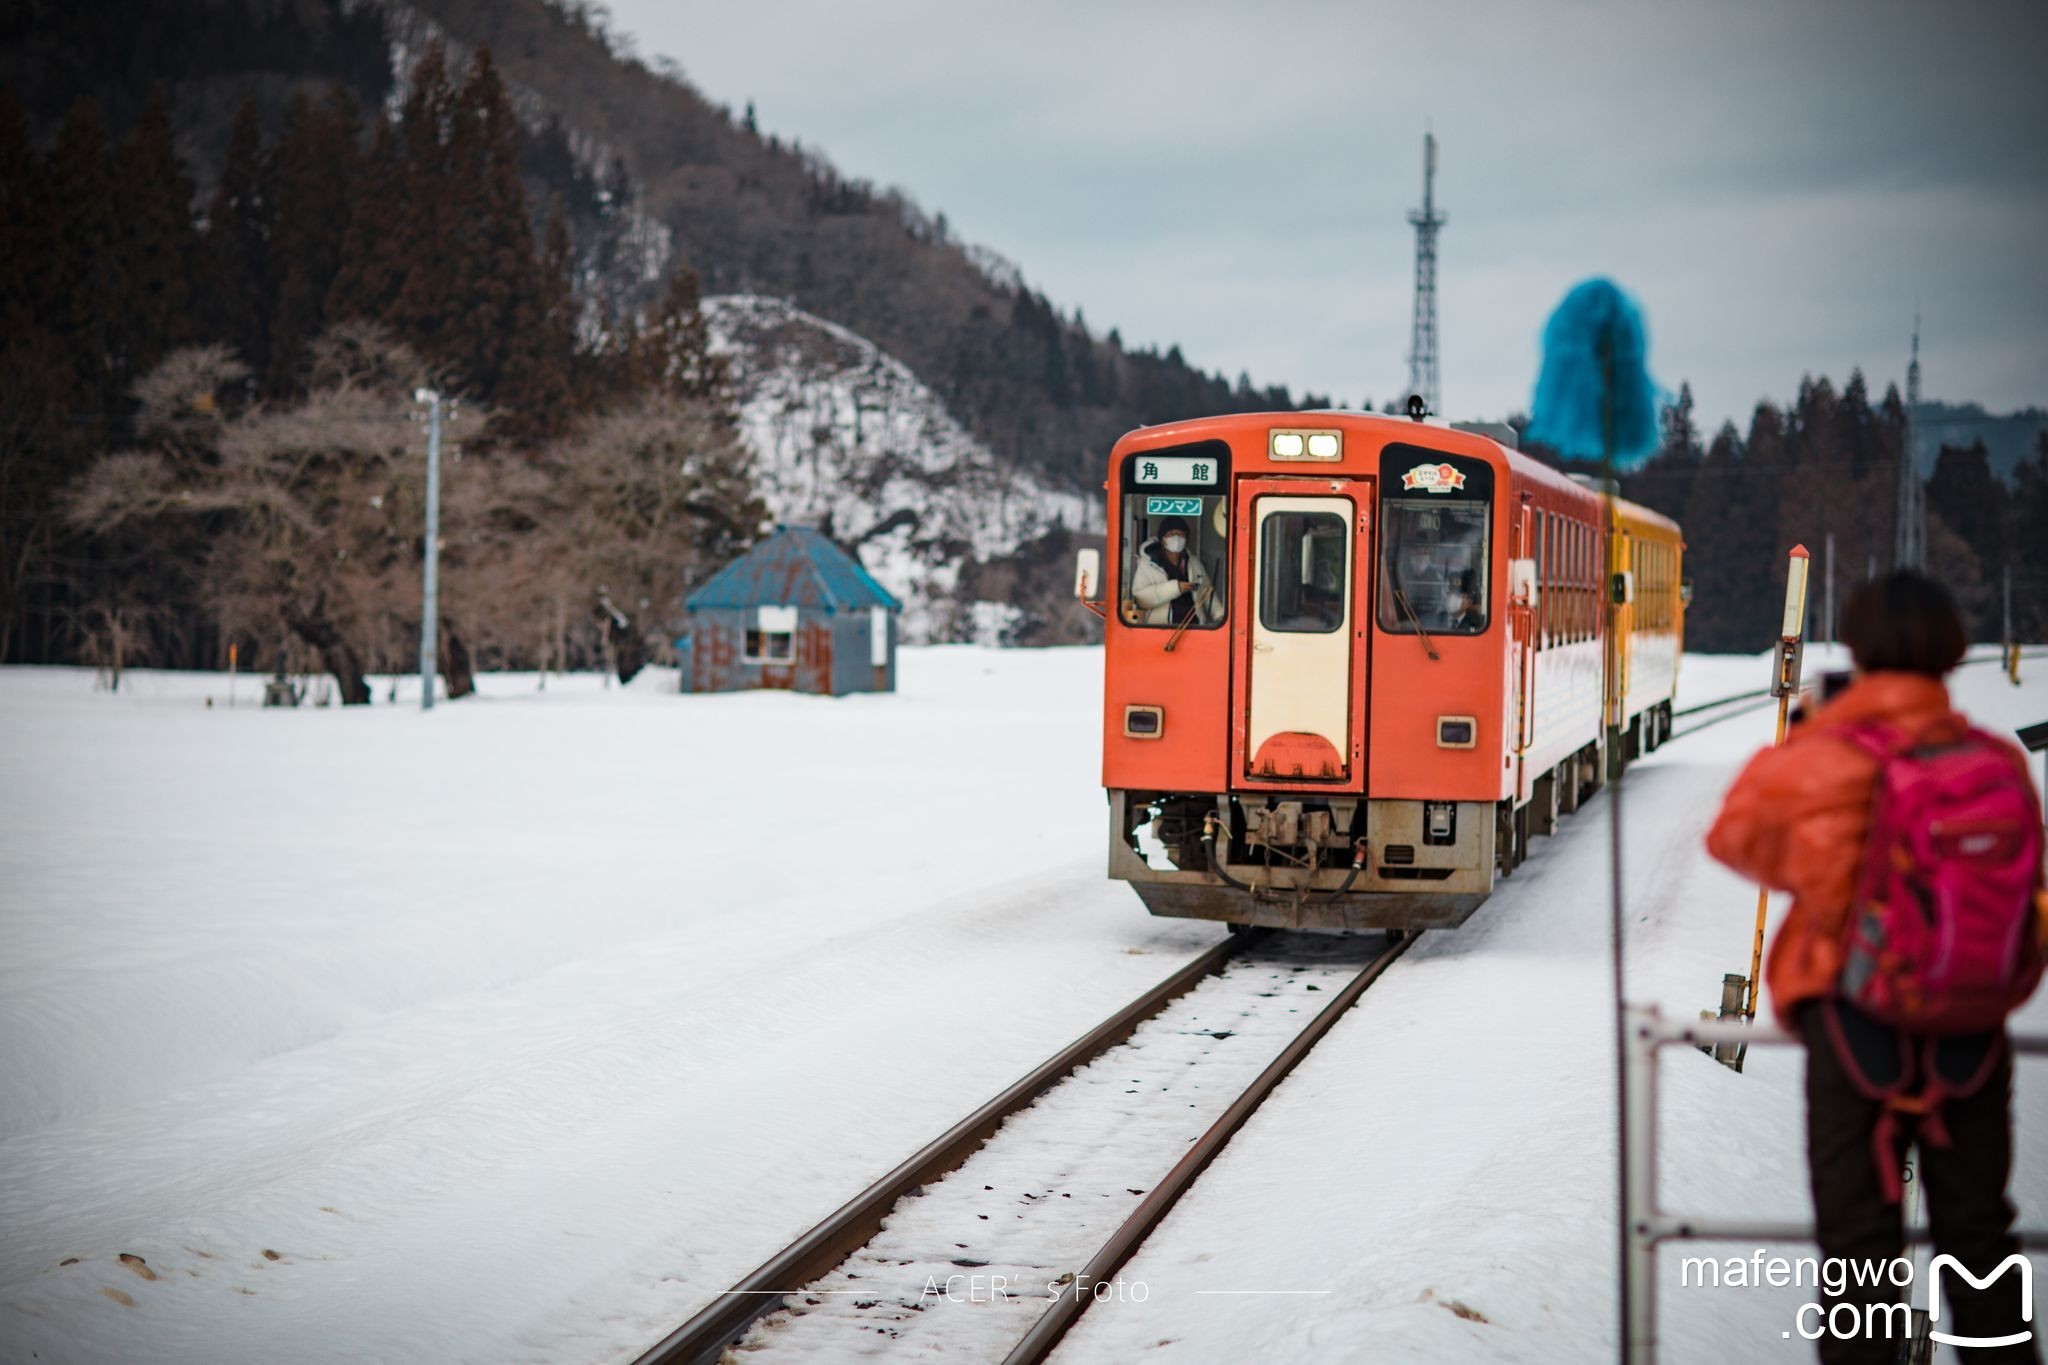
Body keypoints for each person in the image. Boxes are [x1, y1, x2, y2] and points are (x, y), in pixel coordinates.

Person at [1707, 571, 2044, 1365]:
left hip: (1851, 1023)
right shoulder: (1992, 758)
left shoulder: (1826, 752)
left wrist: (1801, 731)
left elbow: (1733, 838)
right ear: (1952, 655)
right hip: (1970, 1027)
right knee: (1980, 1234)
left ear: (1856, 648)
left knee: (1858, 1247)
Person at [1128, 517, 1219, 627]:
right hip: (1160, 630)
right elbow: (1141, 599)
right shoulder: (1148, 564)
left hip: (1196, 630)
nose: (1176, 538)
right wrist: (1176, 588)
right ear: (1162, 538)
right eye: (1171, 534)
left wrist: (1220, 615)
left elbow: (1207, 592)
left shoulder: (1194, 562)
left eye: (1181, 534)